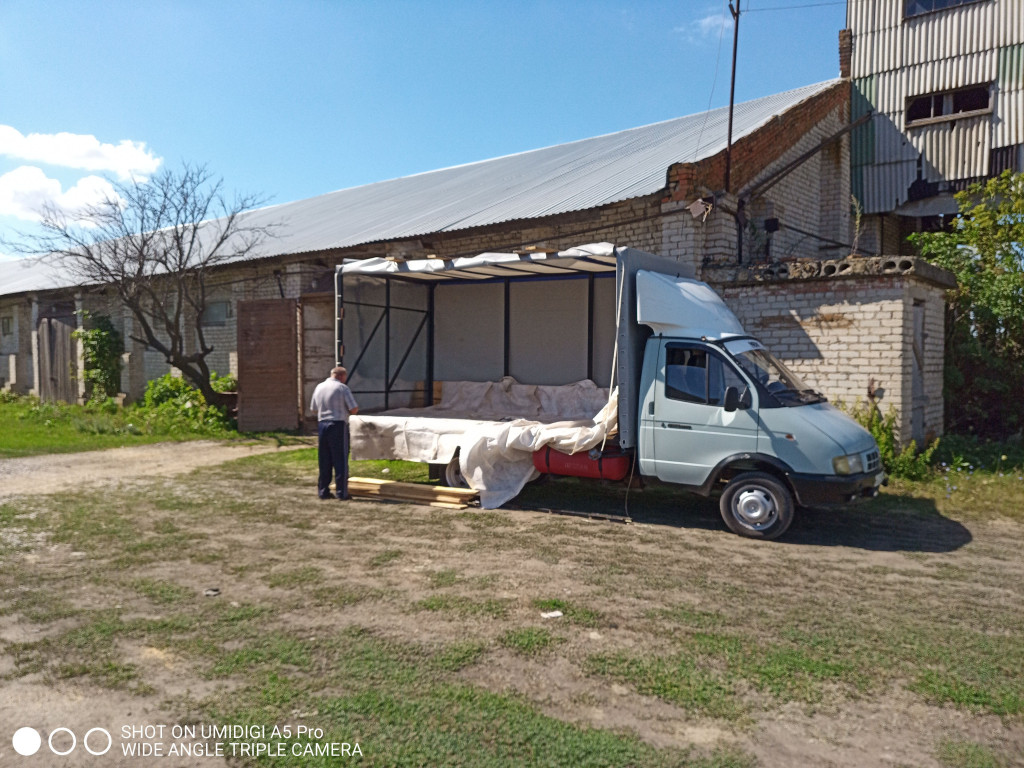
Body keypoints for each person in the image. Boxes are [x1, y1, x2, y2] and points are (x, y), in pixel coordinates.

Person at [310, 366, 359, 500]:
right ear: (341, 376)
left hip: (322, 424)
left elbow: (313, 409)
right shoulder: (342, 388)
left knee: (324, 459)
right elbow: (354, 408)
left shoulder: (319, 387)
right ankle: (341, 492)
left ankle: (323, 491)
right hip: (337, 424)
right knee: (340, 459)